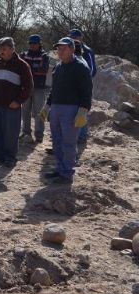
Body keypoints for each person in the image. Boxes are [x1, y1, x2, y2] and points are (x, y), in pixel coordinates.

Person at [40, 37, 93, 184]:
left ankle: (67, 173)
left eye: (63, 48)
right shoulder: (58, 67)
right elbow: (54, 89)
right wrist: (47, 105)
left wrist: (83, 110)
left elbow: (87, 91)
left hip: (71, 109)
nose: (60, 51)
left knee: (68, 142)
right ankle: (59, 169)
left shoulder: (81, 67)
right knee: (56, 141)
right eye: (59, 48)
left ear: (72, 49)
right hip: (56, 108)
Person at [0, 37, 34, 168]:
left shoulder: (22, 65)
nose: (1, 52)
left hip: (12, 105)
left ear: (12, 49)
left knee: (11, 132)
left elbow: (29, 87)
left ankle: (10, 157)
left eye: (4, 49)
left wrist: (18, 101)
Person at [19, 34, 50, 143]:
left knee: (39, 112)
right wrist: (33, 69)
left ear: (39, 44)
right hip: (26, 87)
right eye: (31, 43)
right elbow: (20, 69)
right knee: (25, 111)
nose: (32, 45)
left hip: (39, 88)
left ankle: (39, 134)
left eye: (34, 43)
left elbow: (43, 70)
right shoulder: (23, 55)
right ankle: (26, 132)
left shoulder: (44, 56)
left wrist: (28, 70)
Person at [69, 29, 96, 144]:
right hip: (71, 86)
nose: (73, 39)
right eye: (71, 37)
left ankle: (82, 136)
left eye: (75, 37)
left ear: (81, 38)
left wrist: (83, 79)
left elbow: (92, 70)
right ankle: (71, 135)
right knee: (71, 109)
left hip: (84, 85)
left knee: (83, 108)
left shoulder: (87, 51)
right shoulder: (69, 49)